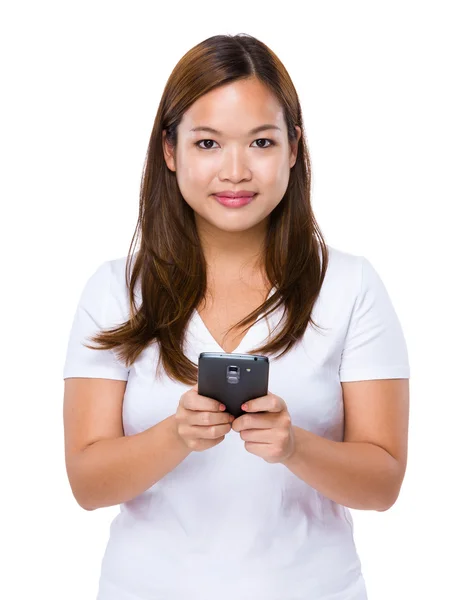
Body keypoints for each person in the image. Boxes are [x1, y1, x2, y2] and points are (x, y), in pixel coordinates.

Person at [62, 33, 410, 600]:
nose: (235, 171)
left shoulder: (350, 286)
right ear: (169, 151)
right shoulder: (116, 289)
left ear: (294, 149)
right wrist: (175, 435)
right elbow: (87, 482)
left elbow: (383, 483)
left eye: (261, 143)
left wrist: (294, 445)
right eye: (207, 143)